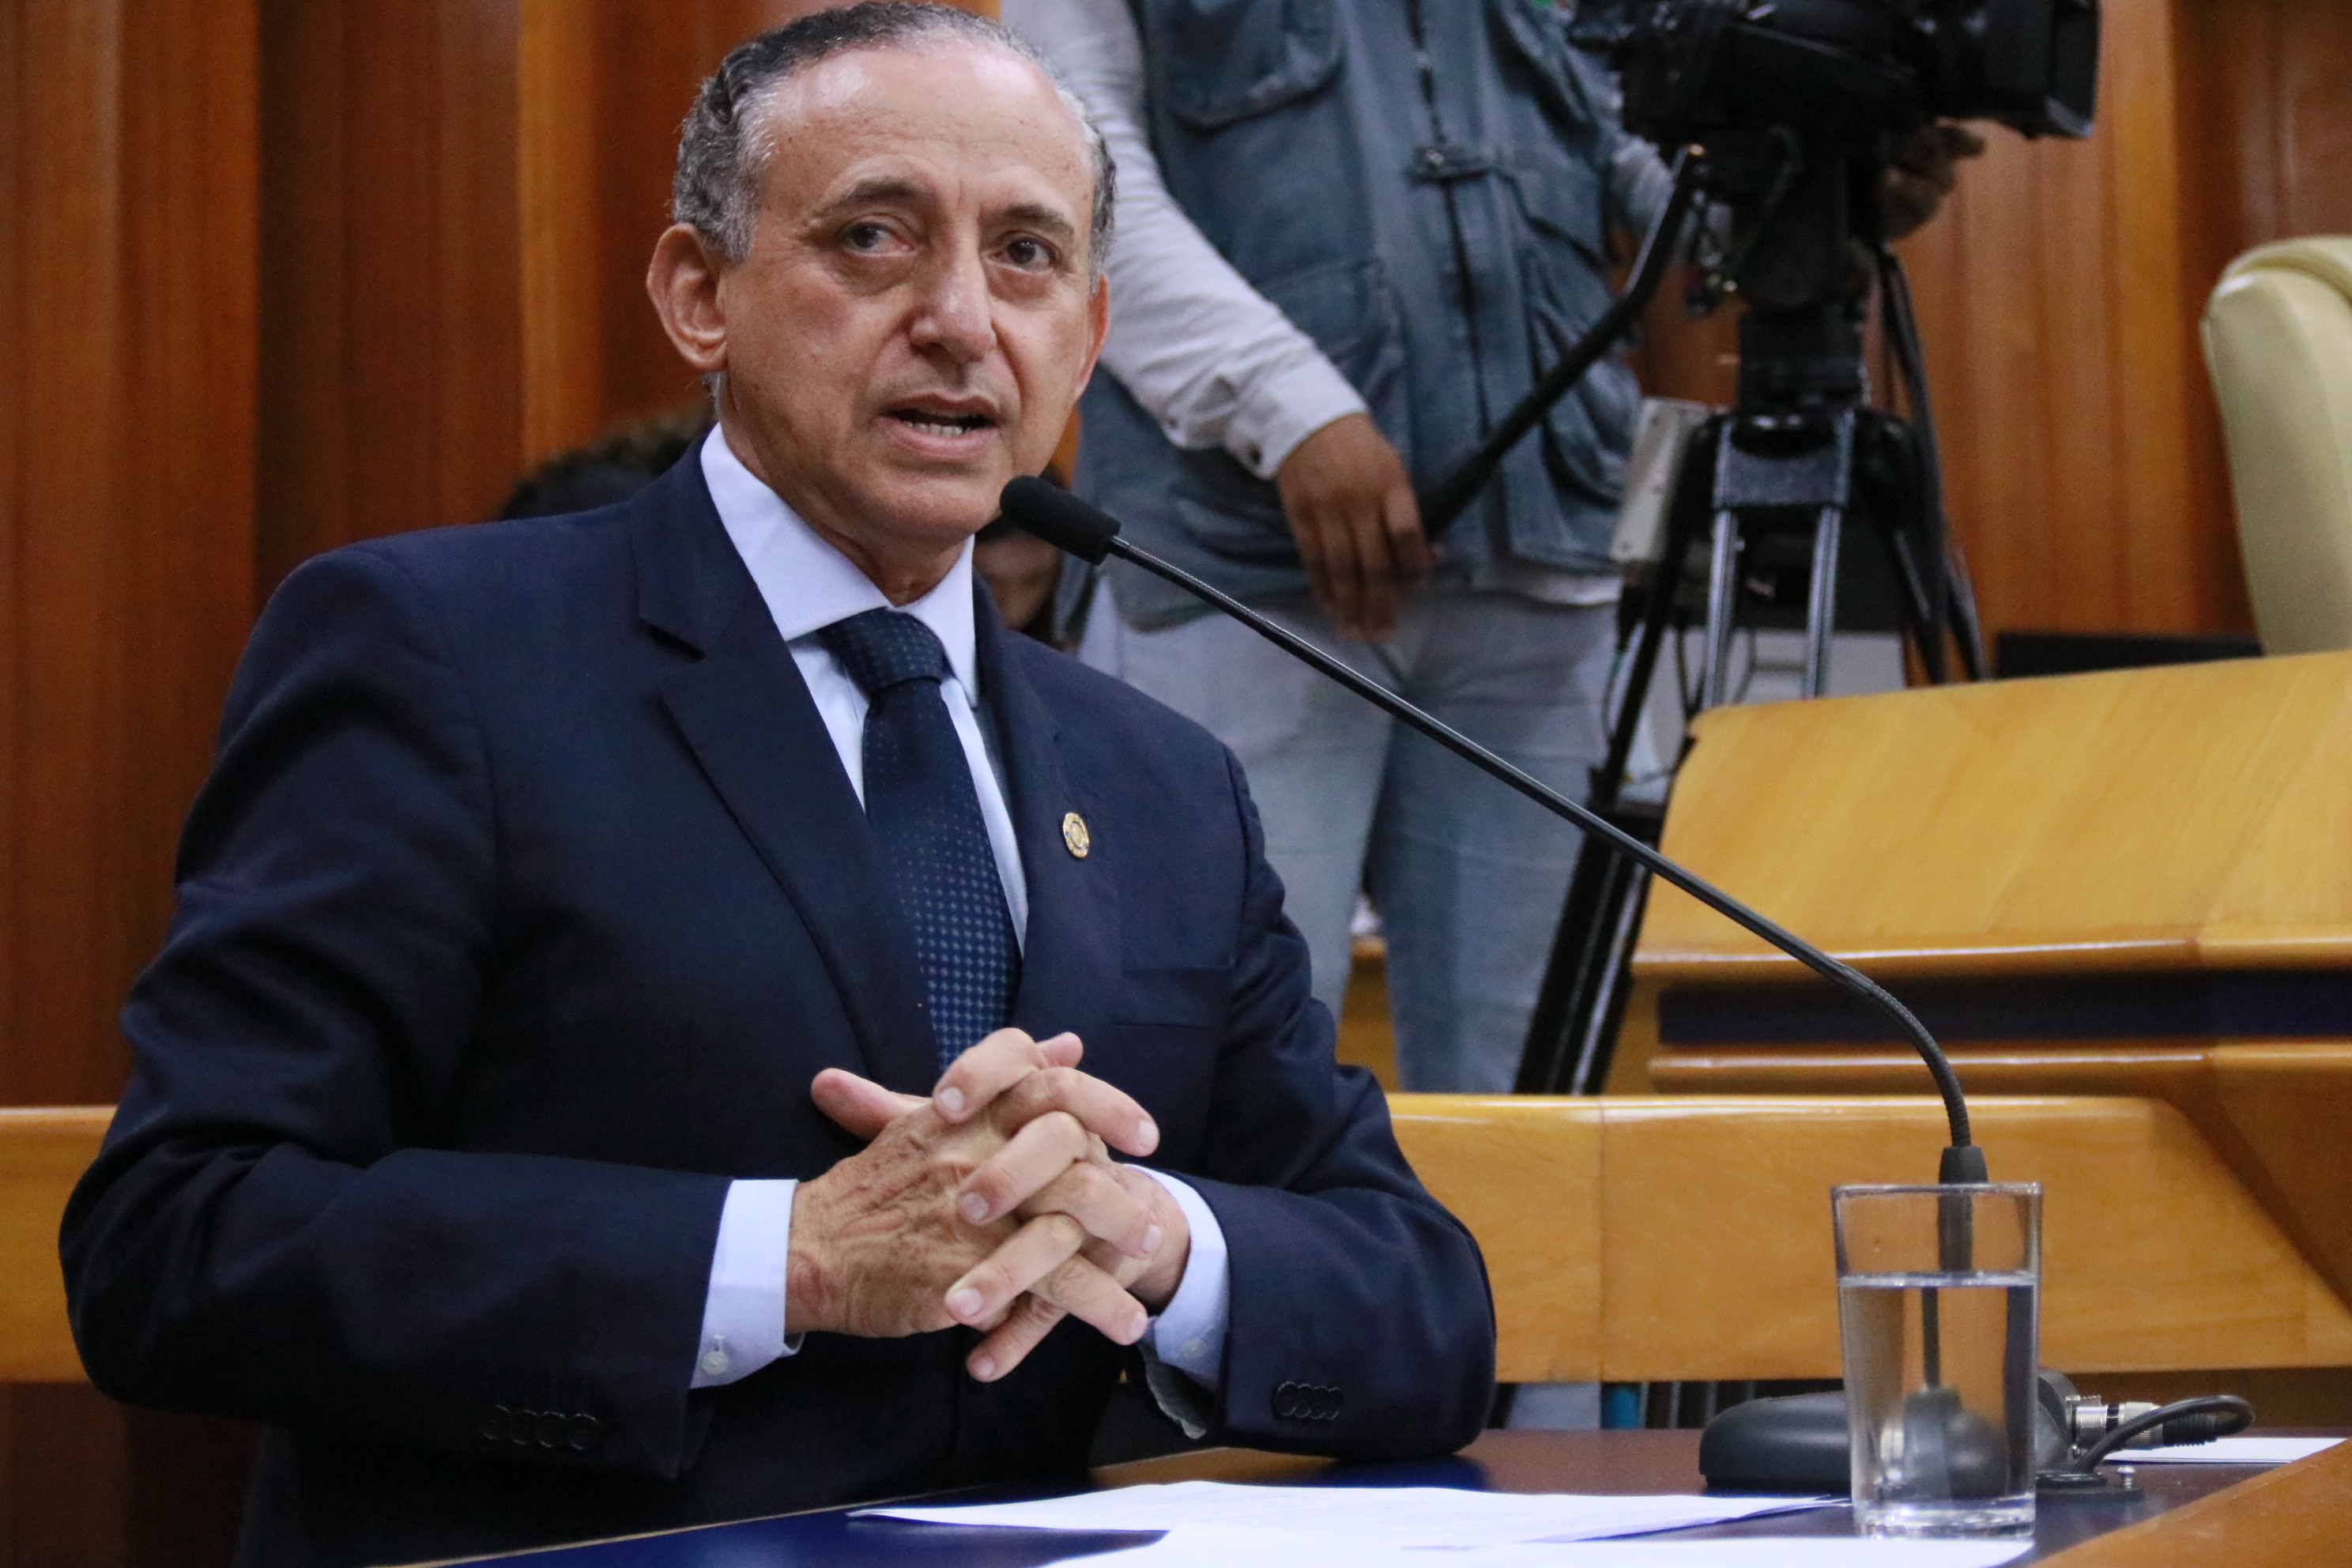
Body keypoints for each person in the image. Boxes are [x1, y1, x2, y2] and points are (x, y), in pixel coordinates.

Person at [58, 9, 1494, 1566]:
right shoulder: (439, 655)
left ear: (1085, 340)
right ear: (700, 296)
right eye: (874, 238)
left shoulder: (1162, 777)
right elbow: (181, 1241)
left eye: (1024, 256)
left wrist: (1151, 1235)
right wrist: (786, 1258)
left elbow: (1419, 1303)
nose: (961, 319)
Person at [1004, 0, 1977, 1095]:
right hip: (1238, 572)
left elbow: (1651, 175)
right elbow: (1082, 179)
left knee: (1521, 1081)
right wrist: (1285, 405)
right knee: (1218, 1060)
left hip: (1541, 564)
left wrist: (1808, 195)